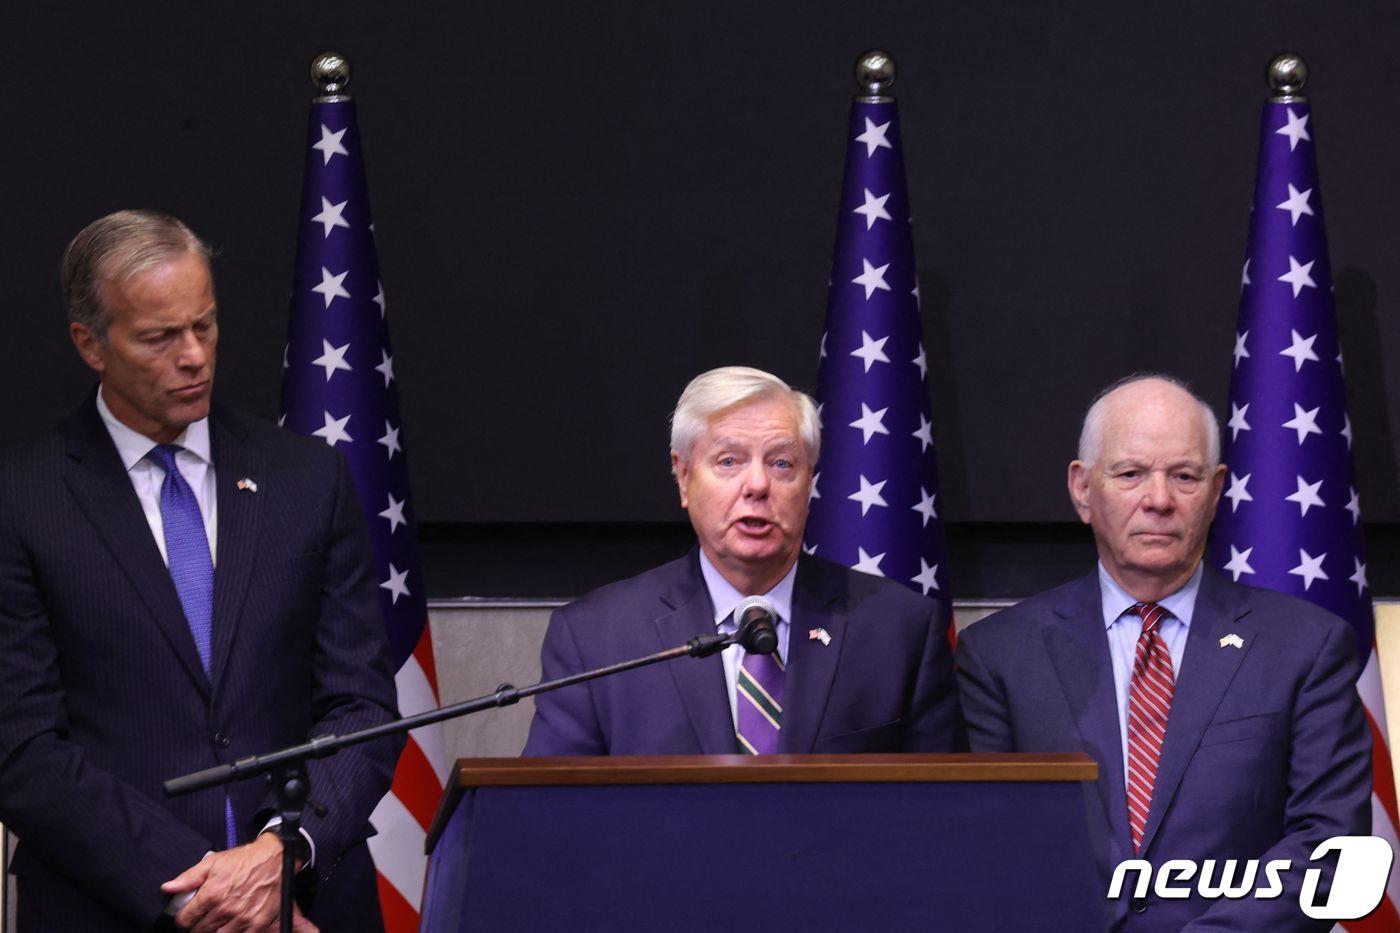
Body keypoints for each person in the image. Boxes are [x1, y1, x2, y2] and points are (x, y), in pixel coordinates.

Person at [0, 211, 402, 931]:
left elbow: (362, 706)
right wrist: (210, 893)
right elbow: (24, 748)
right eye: (159, 337)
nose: (194, 357)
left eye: (205, 326)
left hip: (305, 896)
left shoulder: (308, 479)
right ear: (89, 343)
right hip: (114, 906)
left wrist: (285, 851)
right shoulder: (23, 504)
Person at [956, 374, 1370, 931]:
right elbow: (984, 845)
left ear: (1217, 488)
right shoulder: (998, 655)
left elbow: (1330, 849)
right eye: (1130, 474)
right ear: (1082, 489)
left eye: (1184, 476)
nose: (1159, 500)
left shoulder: (1305, 646)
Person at [523, 366, 963, 756]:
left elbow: (940, 817)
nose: (757, 484)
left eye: (782, 464)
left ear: (810, 482)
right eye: (729, 461)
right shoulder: (596, 638)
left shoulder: (899, 629)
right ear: (684, 477)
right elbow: (552, 817)